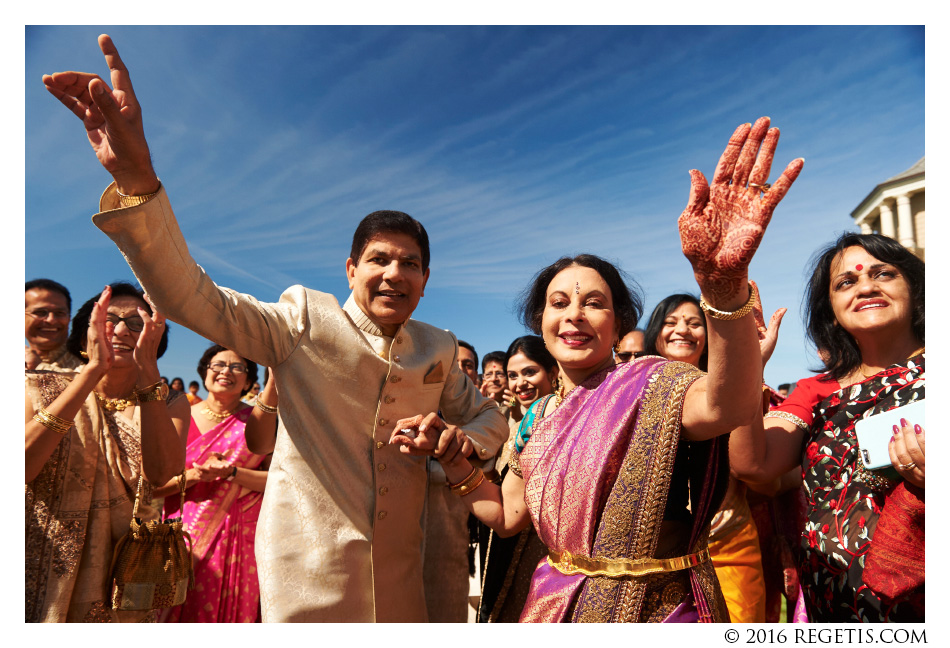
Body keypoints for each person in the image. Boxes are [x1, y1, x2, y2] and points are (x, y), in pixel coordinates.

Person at [43, 34, 508, 622]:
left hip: (408, 580)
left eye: (410, 263)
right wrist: (138, 181)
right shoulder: (305, 320)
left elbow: (489, 417)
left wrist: (461, 441)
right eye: (379, 260)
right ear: (351, 269)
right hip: (310, 578)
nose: (395, 274)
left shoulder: (436, 347)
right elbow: (194, 298)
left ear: (426, 277)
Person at [392, 116, 804, 622]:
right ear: (540, 320)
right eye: (559, 302)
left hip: (657, 613)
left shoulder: (657, 382)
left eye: (593, 303)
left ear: (620, 321)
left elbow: (729, 404)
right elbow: (507, 516)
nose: (574, 316)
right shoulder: (538, 416)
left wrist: (722, 287)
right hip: (553, 610)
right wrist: (452, 458)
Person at [729, 232, 925, 622]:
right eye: (846, 282)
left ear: (916, 289)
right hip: (833, 600)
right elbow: (754, 464)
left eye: (883, 274)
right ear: (831, 308)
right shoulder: (818, 390)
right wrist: (748, 364)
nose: (866, 286)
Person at [26, 282, 190, 622]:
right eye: (108, 320)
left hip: (125, 571)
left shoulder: (170, 402)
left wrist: (148, 376)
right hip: (42, 562)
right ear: (85, 334)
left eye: (137, 323)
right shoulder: (37, 387)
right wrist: (90, 374)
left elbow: (161, 473)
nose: (120, 331)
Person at [643, 292, 765, 622]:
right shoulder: (633, 394)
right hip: (651, 555)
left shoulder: (733, 392)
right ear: (654, 332)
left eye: (695, 323)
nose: (682, 329)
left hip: (728, 542)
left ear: (709, 337)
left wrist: (752, 364)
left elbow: (753, 468)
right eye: (670, 322)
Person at [156, 345, 277, 623]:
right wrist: (196, 477)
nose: (226, 371)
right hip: (180, 536)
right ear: (205, 371)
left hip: (239, 538)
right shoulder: (178, 415)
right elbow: (150, 487)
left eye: (237, 367)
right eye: (218, 365)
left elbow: (279, 482)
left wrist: (232, 472)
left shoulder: (259, 422)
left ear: (248, 380)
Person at [477, 335, 557, 622]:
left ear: (553, 372)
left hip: (544, 549)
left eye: (529, 372)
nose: (519, 383)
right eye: (513, 375)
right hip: (505, 541)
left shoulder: (560, 418)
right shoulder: (519, 422)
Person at [25, 278, 82, 372]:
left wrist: (38, 367)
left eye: (60, 313)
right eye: (40, 312)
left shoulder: (89, 358)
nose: (51, 320)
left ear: (69, 317)